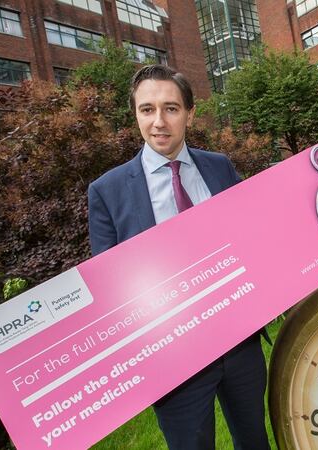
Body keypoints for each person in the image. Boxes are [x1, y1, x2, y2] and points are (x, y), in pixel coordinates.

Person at [88, 65, 270, 449]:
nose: (159, 122)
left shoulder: (219, 167)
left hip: (239, 344)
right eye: (147, 109)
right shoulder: (107, 191)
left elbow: (261, 225)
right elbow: (104, 290)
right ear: (135, 114)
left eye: (170, 108)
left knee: (255, 441)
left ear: (189, 113)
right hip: (174, 362)